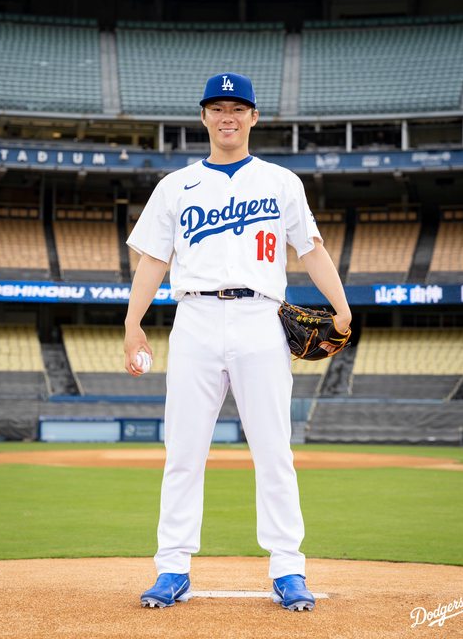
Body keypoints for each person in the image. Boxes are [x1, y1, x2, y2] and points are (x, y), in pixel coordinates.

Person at [124, 72, 352, 611]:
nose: (227, 117)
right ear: (203, 117)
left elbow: (311, 249)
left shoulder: (281, 182)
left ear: (253, 117)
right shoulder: (175, 186)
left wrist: (342, 307)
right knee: (183, 452)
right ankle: (172, 567)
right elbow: (153, 260)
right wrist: (133, 324)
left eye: (237, 108)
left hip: (261, 318)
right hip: (195, 318)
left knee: (274, 451)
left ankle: (288, 568)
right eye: (218, 108)